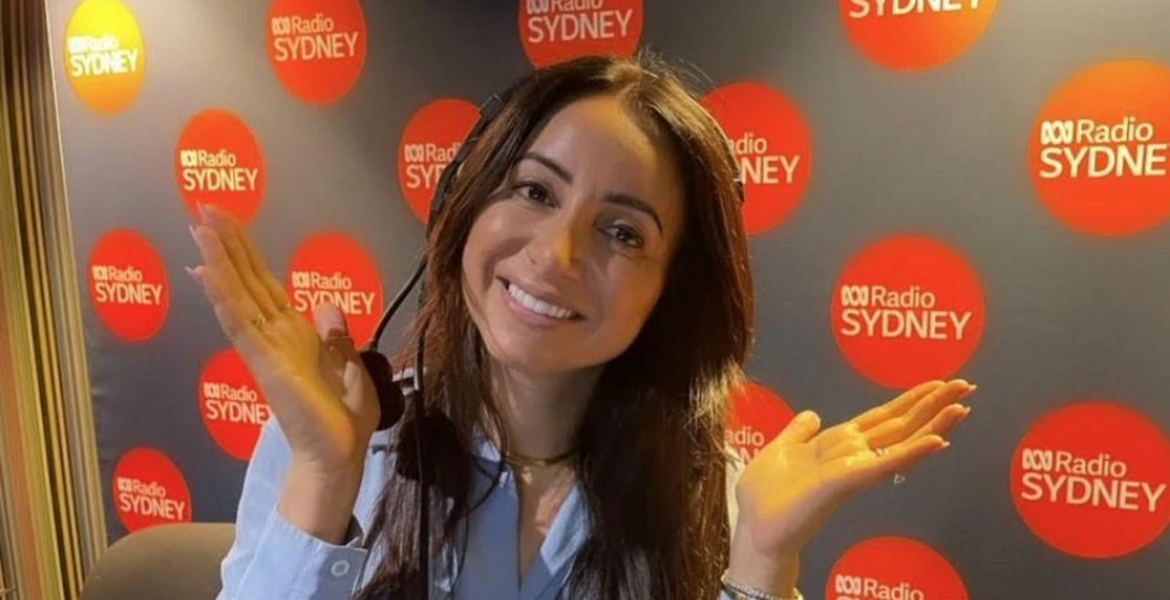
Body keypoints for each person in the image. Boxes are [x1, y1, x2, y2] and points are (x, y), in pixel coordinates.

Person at [187, 52, 977, 600]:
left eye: (623, 233)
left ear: (670, 290)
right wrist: (326, 475)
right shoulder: (334, 442)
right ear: (466, 203)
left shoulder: (714, 496)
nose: (556, 254)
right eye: (534, 192)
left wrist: (764, 562)